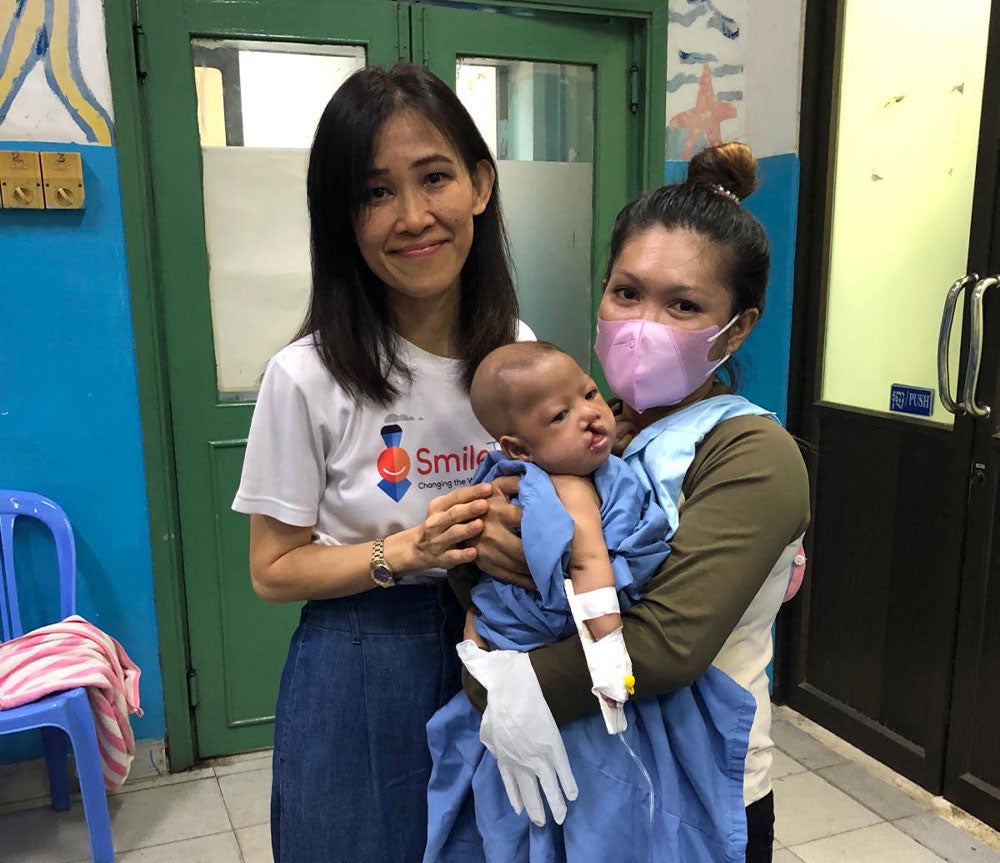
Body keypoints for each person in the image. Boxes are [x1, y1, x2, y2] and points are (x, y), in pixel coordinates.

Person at [452, 142, 810, 863]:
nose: (643, 322)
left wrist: (493, 683)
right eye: (627, 292)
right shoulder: (584, 436)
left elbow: (666, 647)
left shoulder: (752, 454)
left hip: (700, 793)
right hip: (580, 775)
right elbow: (492, 558)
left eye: (683, 305)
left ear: (736, 327)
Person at [231, 63, 533, 863]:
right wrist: (406, 551)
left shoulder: (521, 356)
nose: (413, 216)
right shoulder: (306, 375)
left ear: (480, 184)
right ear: (345, 219)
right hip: (360, 659)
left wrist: (524, 548)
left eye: (435, 177)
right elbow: (273, 569)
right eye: (374, 193)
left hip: (501, 642)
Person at [469, 341, 646, 710]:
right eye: (559, 416)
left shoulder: (522, 474)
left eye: (590, 393)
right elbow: (586, 564)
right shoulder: (569, 488)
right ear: (518, 450)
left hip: (497, 629)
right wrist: (610, 655)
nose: (589, 414)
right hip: (555, 627)